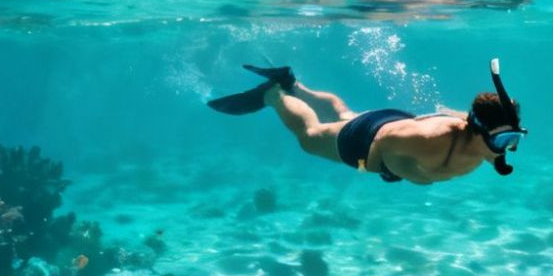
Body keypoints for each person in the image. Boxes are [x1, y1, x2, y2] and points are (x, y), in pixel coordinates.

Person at [208, 59, 525, 185]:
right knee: (310, 136)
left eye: (513, 140)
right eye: (502, 141)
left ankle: (292, 83)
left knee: (342, 112)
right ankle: (275, 95)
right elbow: (385, 142)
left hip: (396, 125)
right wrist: (373, 166)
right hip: (369, 137)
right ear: (481, 132)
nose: (505, 149)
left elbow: (459, 115)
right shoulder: (428, 140)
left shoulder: (479, 138)